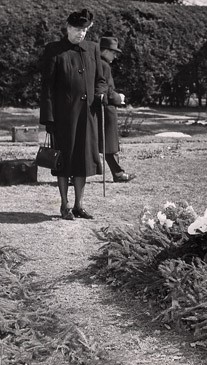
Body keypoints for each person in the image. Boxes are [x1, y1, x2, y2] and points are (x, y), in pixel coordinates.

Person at [40, 9, 107, 220]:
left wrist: (100, 93)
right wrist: (48, 119)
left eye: (85, 30)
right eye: (78, 29)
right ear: (68, 28)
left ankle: (79, 204)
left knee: (83, 161)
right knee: (63, 161)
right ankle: (64, 205)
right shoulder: (54, 50)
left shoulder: (93, 48)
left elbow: (101, 79)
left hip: (87, 116)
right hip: (62, 117)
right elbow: (47, 88)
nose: (81, 34)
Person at [99, 35, 136, 183]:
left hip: (102, 107)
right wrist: (118, 98)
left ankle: (118, 172)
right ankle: (118, 173)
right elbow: (105, 90)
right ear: (105, 51)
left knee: (105, 144)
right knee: (109, 144)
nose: (115, 55)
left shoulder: (98, 63)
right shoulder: (104, 65)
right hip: (106, 108)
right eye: (113, 52)